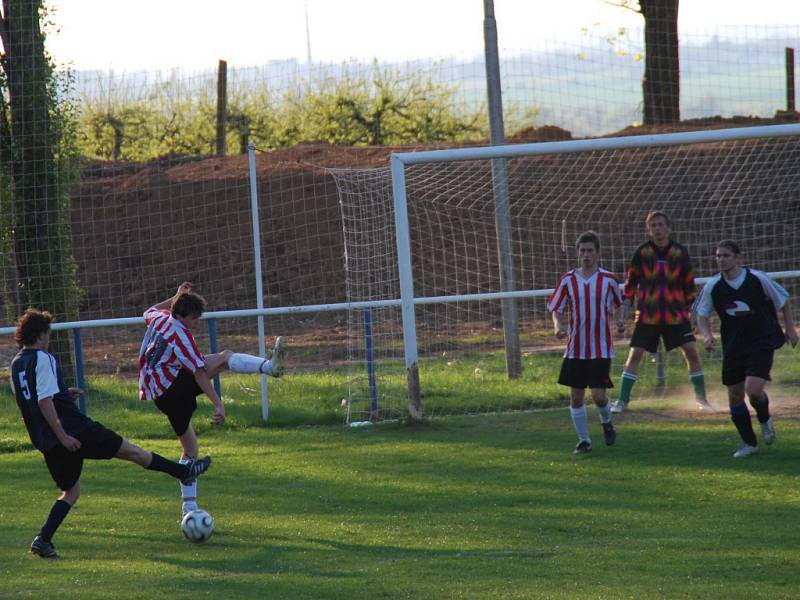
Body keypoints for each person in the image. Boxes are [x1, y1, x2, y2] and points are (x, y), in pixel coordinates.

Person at [10, 308, 212, 558]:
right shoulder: (43, 358)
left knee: (71, 492)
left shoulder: (16, 364)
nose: (49, 339)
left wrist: (63, 394)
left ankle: (43, 539)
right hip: (74, 431)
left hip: (46, 440)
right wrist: (64, 434)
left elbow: (29, 403)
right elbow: (44, 402)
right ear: (40, 335)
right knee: (132, 452)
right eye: (47, 334)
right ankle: (185, 471)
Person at [139, 282, 286, 516]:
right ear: (181, 316)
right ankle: (270, 367)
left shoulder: (161, 318)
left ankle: (190, 508)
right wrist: (218, 403)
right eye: (194, 319)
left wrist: (176, 296)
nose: (197, 323)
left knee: (191, 451)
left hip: (159, 394)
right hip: (173, 390)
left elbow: (149, 310)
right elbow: (199, 373)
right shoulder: (181, 335)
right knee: (225, 358)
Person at [695, 240, 798, 458]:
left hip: (761, 341)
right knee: (734, 396)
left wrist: (790, 328)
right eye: (718, 256)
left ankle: (765, 419)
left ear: (738, 258)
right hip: (734, 345)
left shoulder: (757, 279)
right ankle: (749, 444)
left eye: (726, 256)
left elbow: (783, 301)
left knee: (753, 390)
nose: (721, 260)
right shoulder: (714, 286)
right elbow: (701, 315)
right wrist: (706, 335)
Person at [611, 211, 711, 413]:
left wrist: (690, 311)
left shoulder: (680, 253)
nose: (657, 228)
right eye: (653, 225)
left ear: (668, 227)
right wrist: (625, 308)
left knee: (691, 351)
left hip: (676, 316)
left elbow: (689, 286)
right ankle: (622, 401)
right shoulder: (642, 253)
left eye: (660, 225)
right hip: (648, 315)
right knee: (635, 354)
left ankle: (702, 400)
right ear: (649, 230)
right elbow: (631, 284)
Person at [547, 231, 625, 454]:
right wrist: (558, 326)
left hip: (600, 347)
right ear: (577, 253)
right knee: (576, 396)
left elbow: (620, 304)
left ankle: (607, 423)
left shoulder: (608, 279)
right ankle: (584, 441)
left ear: (598, 252)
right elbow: (556, 309)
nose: (586, 255)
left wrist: (620, 321)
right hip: (575, 349)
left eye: (590, 250)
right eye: (582, 251)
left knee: (599, 396)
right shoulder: (568, 280)